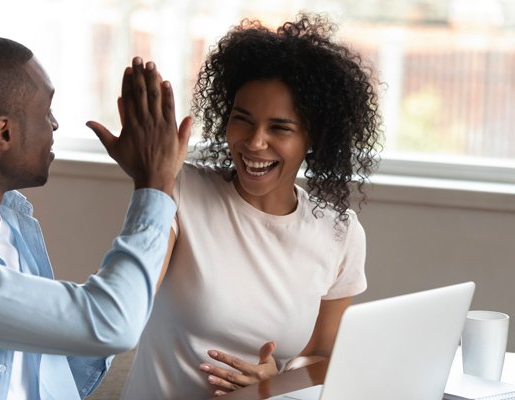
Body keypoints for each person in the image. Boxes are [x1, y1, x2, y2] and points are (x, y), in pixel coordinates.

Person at [120, 13, 383, 399]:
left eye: (280, 128)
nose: (255, 142)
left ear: (313, 137)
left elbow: (325, 356)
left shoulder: (340, 233)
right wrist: (151, 179)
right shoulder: (180, 189)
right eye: (242, 121)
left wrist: (276, 380)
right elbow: (128, 302)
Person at [0, 35, 191, 400]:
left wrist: (156, 189)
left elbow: (64, 358)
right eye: (46, 111)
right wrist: (153, 186)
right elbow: (109, 324)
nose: (55, 124)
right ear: (4, 132)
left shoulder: (13, 222)